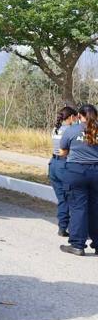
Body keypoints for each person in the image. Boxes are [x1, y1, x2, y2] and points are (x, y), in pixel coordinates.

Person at [58, 104, 98, 256]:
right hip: (96, 172)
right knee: (96, 209)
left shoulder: (72, 130)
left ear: (80, 116)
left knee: (78, 208)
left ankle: (77, 244)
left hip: (76, 172)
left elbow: (63, 151)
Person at [50, 106, 79, 237]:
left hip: (53, 165)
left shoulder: (55, 129)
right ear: (72, 117)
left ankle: (62, 227)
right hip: (64, 165)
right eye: (76, 117)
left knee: (62, 199)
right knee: (70, 199)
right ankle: (71, 229)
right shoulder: (71, 130)